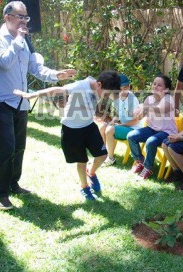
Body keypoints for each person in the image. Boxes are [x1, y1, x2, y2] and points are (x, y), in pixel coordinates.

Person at [0, 1, 76, 210]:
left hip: (21, 102)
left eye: (26, 17)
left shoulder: (24, 41)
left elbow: (35, 68)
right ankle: (1, 193)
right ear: (7, 16)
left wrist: (56, 75)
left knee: (19, 147)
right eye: (20, 16)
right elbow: (4, 61)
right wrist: (18, 39)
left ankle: (13, 183)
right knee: (5, 149)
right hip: (0, 101)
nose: (24, 21)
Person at [14, 70, 121, 201]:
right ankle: (84, 187)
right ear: (99, 84)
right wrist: (30, 95)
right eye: (106, 94)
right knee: (82, 161)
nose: (105, 97)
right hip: (72, 130)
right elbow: (57, 89)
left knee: (103, 155)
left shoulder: (100, 86)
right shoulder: (80, 86)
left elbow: (95, 104)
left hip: (89, 126)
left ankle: (91, 173)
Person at [128, 75, 178, 180]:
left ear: (166, 89)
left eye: (159, 85)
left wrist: (144, 106)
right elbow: (140, 116)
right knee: (131, 136)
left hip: (166, 132)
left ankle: (148, 167)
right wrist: (137, 111)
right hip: (151, 129)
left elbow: (160, 110)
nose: (155, 86)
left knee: (151, 141)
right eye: (154, 83)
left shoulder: (169, 99)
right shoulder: (149, 99)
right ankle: (140, 161)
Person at [97, 74, 143, 167]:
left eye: (125, 88)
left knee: (110, 130)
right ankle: (103, 155)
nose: (122, 91)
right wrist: (113, 121)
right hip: (124, 126)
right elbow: (119, 115)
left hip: (134, 129)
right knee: (103, 127)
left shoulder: (132, 100)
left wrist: (119, 126)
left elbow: (136, 121)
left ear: (129, 87)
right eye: (120, 89)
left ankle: (111, 158)